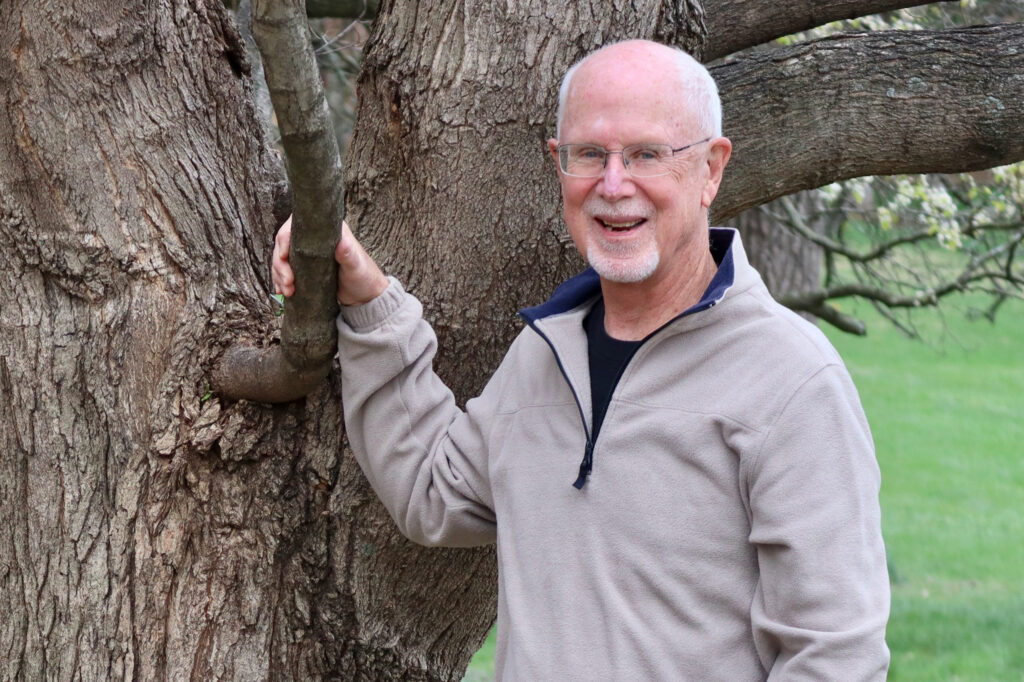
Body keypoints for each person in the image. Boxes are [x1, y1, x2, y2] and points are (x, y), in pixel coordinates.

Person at [273, 40, 890, 681]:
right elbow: (434, 492)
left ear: (711, 168)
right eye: (588, 155)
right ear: (558, 165)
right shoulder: (546, 352)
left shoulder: (791, 381)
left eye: (647, 154)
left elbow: (834, 657)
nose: (614, 185)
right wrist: (370, 301)